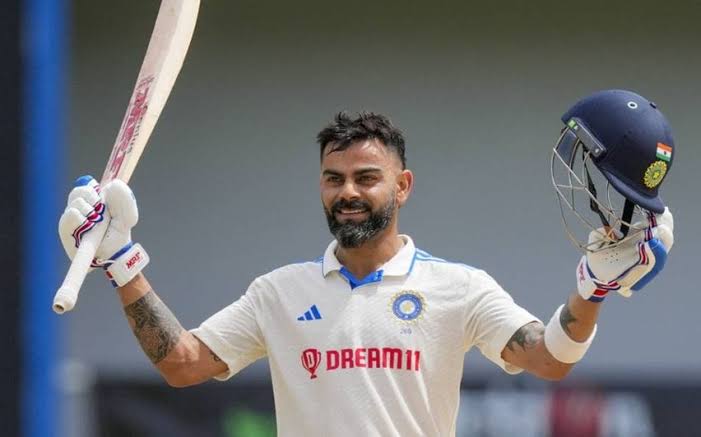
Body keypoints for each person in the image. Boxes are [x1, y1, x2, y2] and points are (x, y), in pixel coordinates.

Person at [58, 92, 674, 436]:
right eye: (333, 178)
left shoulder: (458, 288)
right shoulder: (278, 293)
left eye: (366, 178)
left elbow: (548, 359)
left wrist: (590, 293)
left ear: (402, 186)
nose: (348, 192)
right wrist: (121, 263)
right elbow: (182, 364)